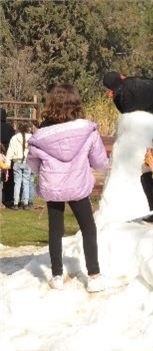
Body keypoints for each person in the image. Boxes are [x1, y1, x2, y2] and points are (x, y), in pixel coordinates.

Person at [26, 84, 109, 292]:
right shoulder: (87, 129)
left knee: (56, 229)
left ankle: (56, 275)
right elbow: (99, 162)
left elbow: (32, 163)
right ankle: (94, 275)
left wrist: (43, 173)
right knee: (88, 228)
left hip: (53, 185)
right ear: (76, 103)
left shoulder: (41, 133)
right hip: (78, 184)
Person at [6, 121, 33, 209]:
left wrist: (7, 164)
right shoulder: (32, 138)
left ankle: (15, 203)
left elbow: (10, 151)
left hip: (17, 161)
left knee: (17, 183)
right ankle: (25, 203)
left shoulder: (14, 138)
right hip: (27, 161)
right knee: (26, 182)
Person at [0, 108, 15, 207]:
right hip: (7, 154)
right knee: (9, 178)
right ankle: (8, 199)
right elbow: (12, 141)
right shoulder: (9, 127)